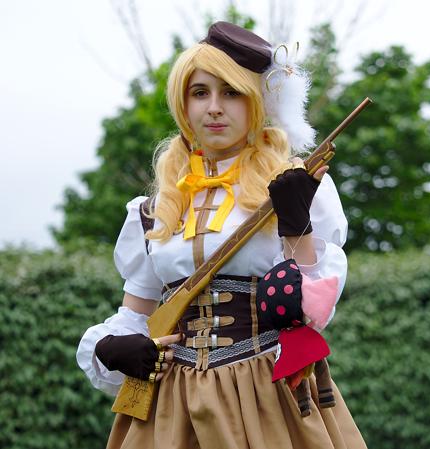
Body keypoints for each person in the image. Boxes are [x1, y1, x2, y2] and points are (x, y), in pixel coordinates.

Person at [77, 21, 368, 449]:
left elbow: (311, 313)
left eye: (231, 92)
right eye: (200, 93)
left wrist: (297, 224)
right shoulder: (155, 209)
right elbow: (137, 315)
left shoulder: (296, 188)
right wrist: (111, 347)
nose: (214, 108)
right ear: (183, 104)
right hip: (172, 409)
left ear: (257, 101)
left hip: (266, 397)